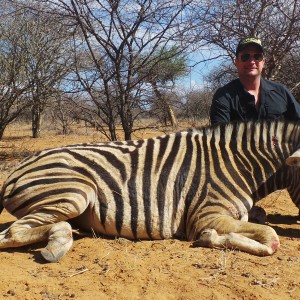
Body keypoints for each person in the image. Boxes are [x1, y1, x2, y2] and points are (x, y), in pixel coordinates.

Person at [210, 37, 300, 125]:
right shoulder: (223, 96)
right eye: (245, 57)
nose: (252, 61)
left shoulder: (281, 91)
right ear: (236, 62)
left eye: (257, 56)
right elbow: (219, 137)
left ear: (263, 62)